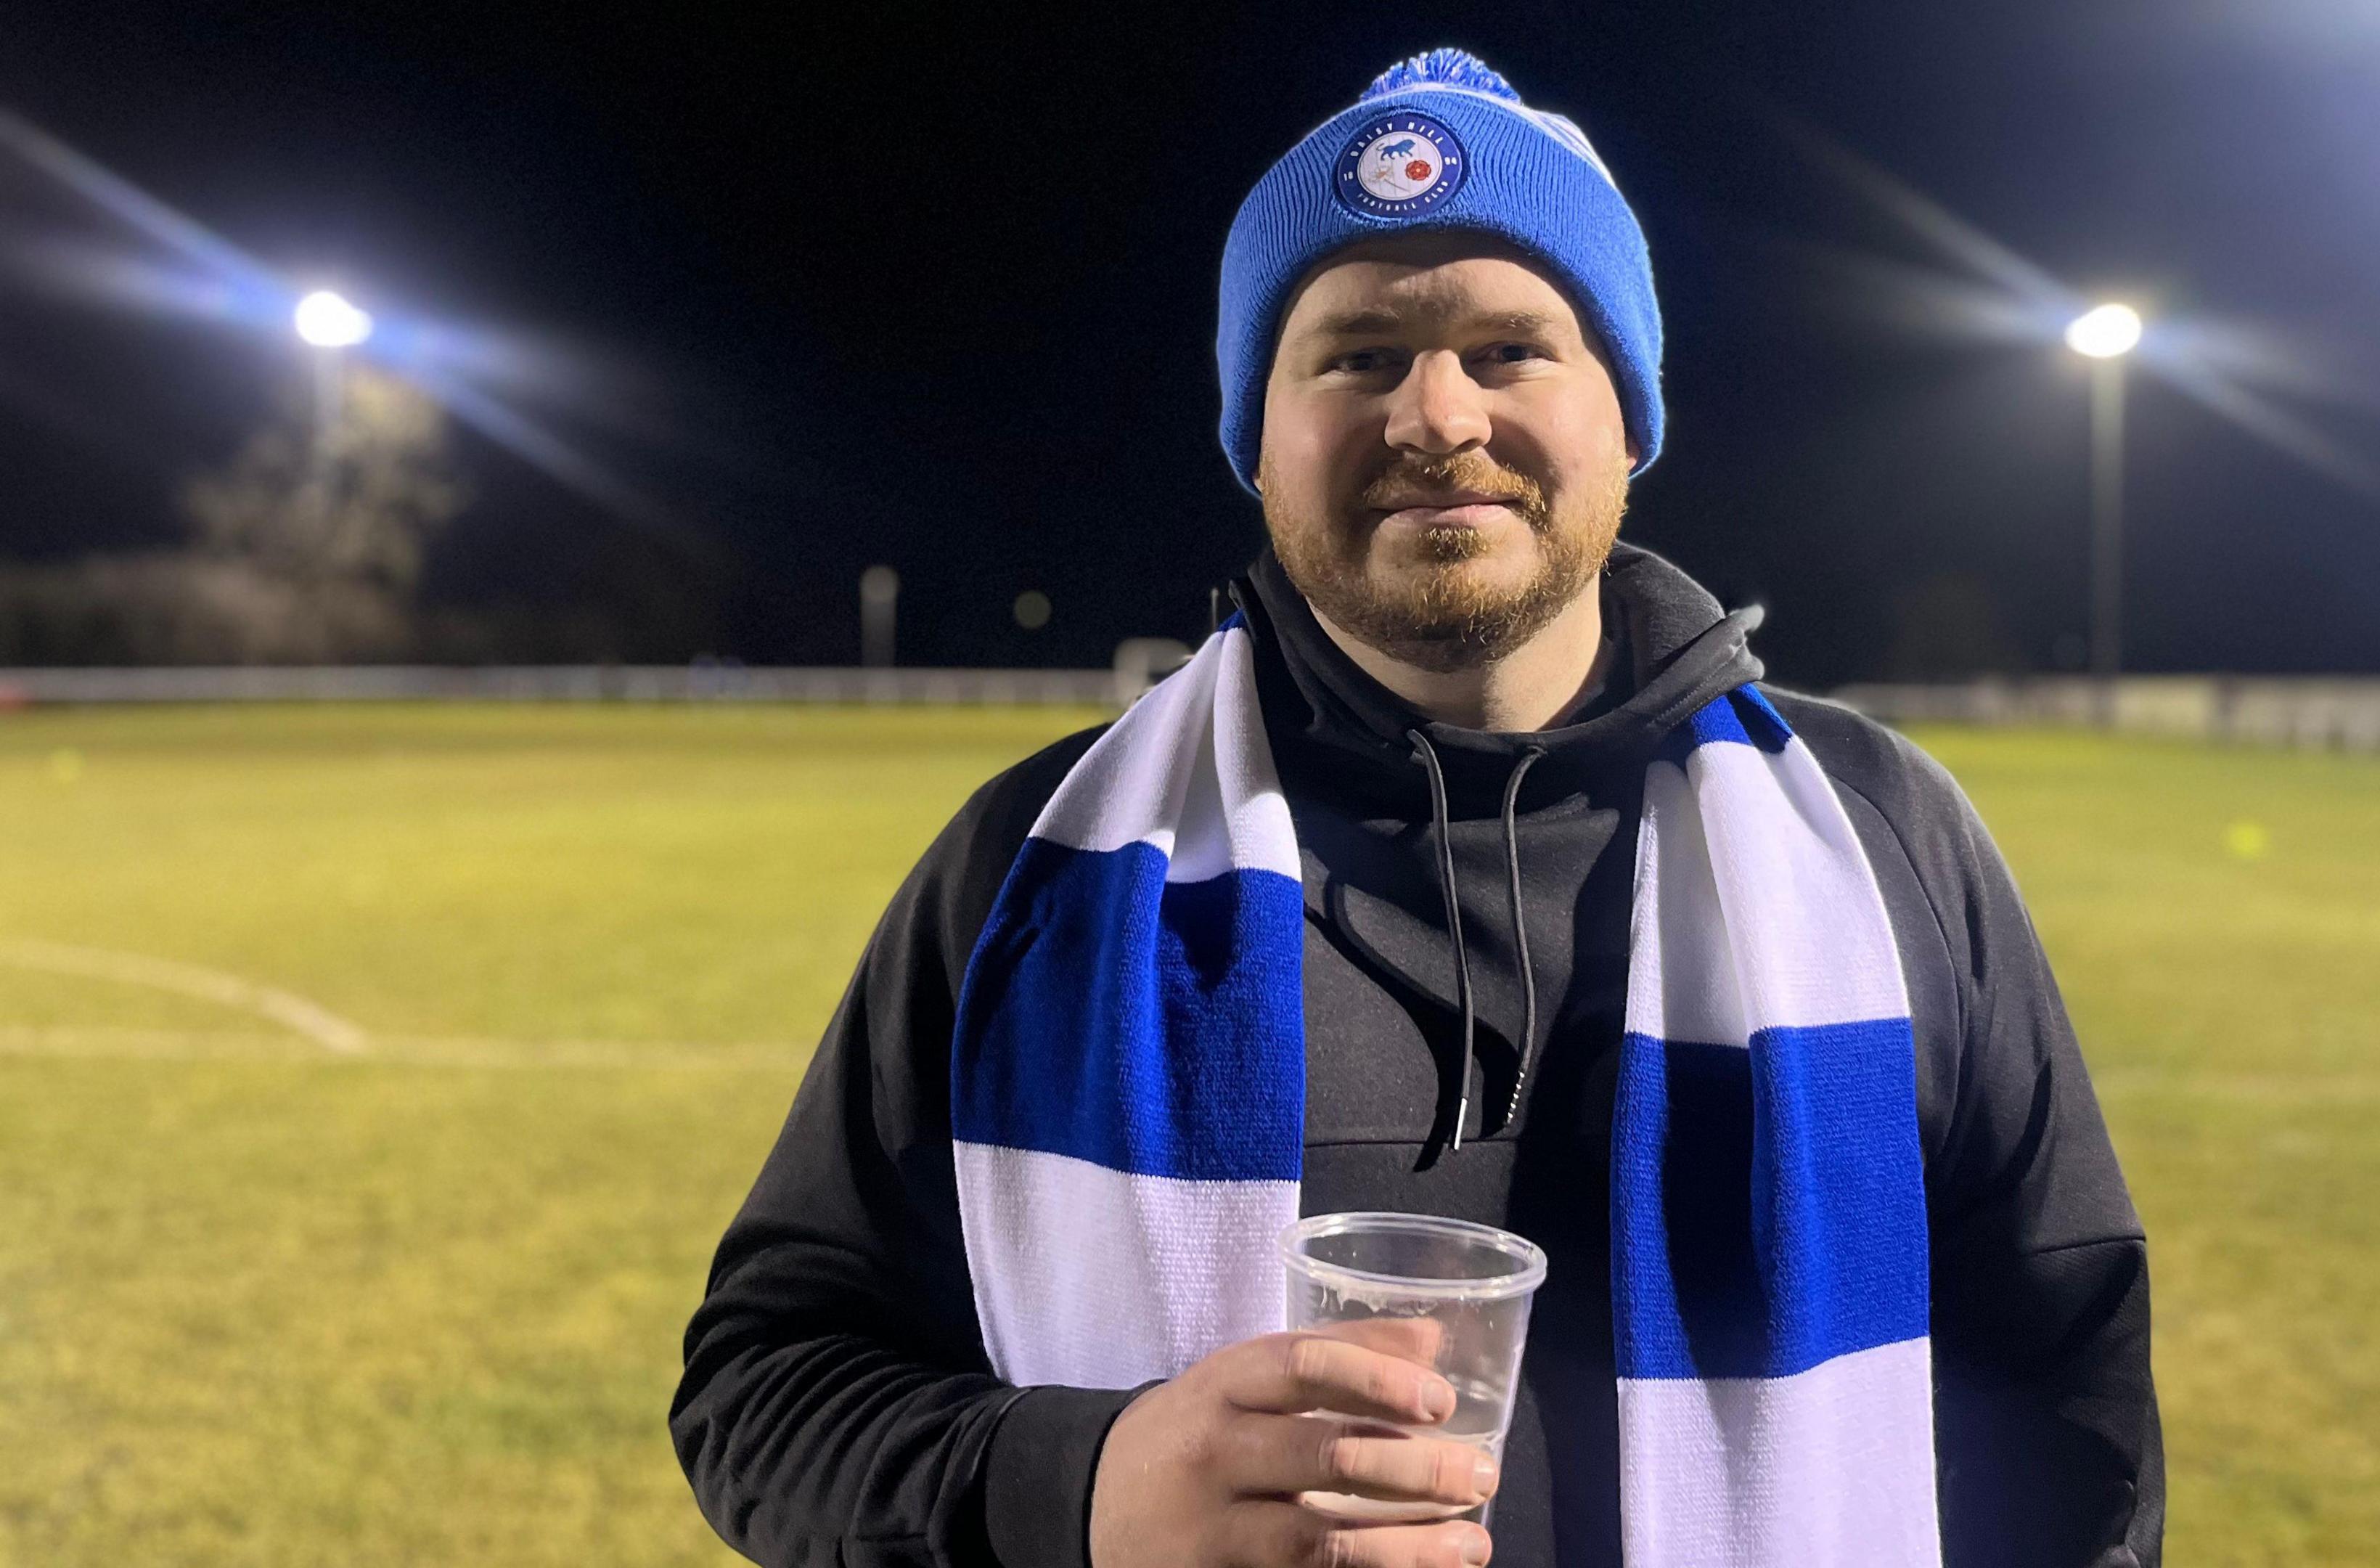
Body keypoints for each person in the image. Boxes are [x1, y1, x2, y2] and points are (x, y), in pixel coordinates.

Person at [673, 48, 2162, 1568]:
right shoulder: (1037, 860)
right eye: (1356, 355)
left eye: (1511, 350)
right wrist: (1082, 1485)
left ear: (1625, 419)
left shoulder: (1879, 838)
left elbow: (2068, 1422)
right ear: (1259, 439)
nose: (1433, 415)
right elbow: (764, 1382)